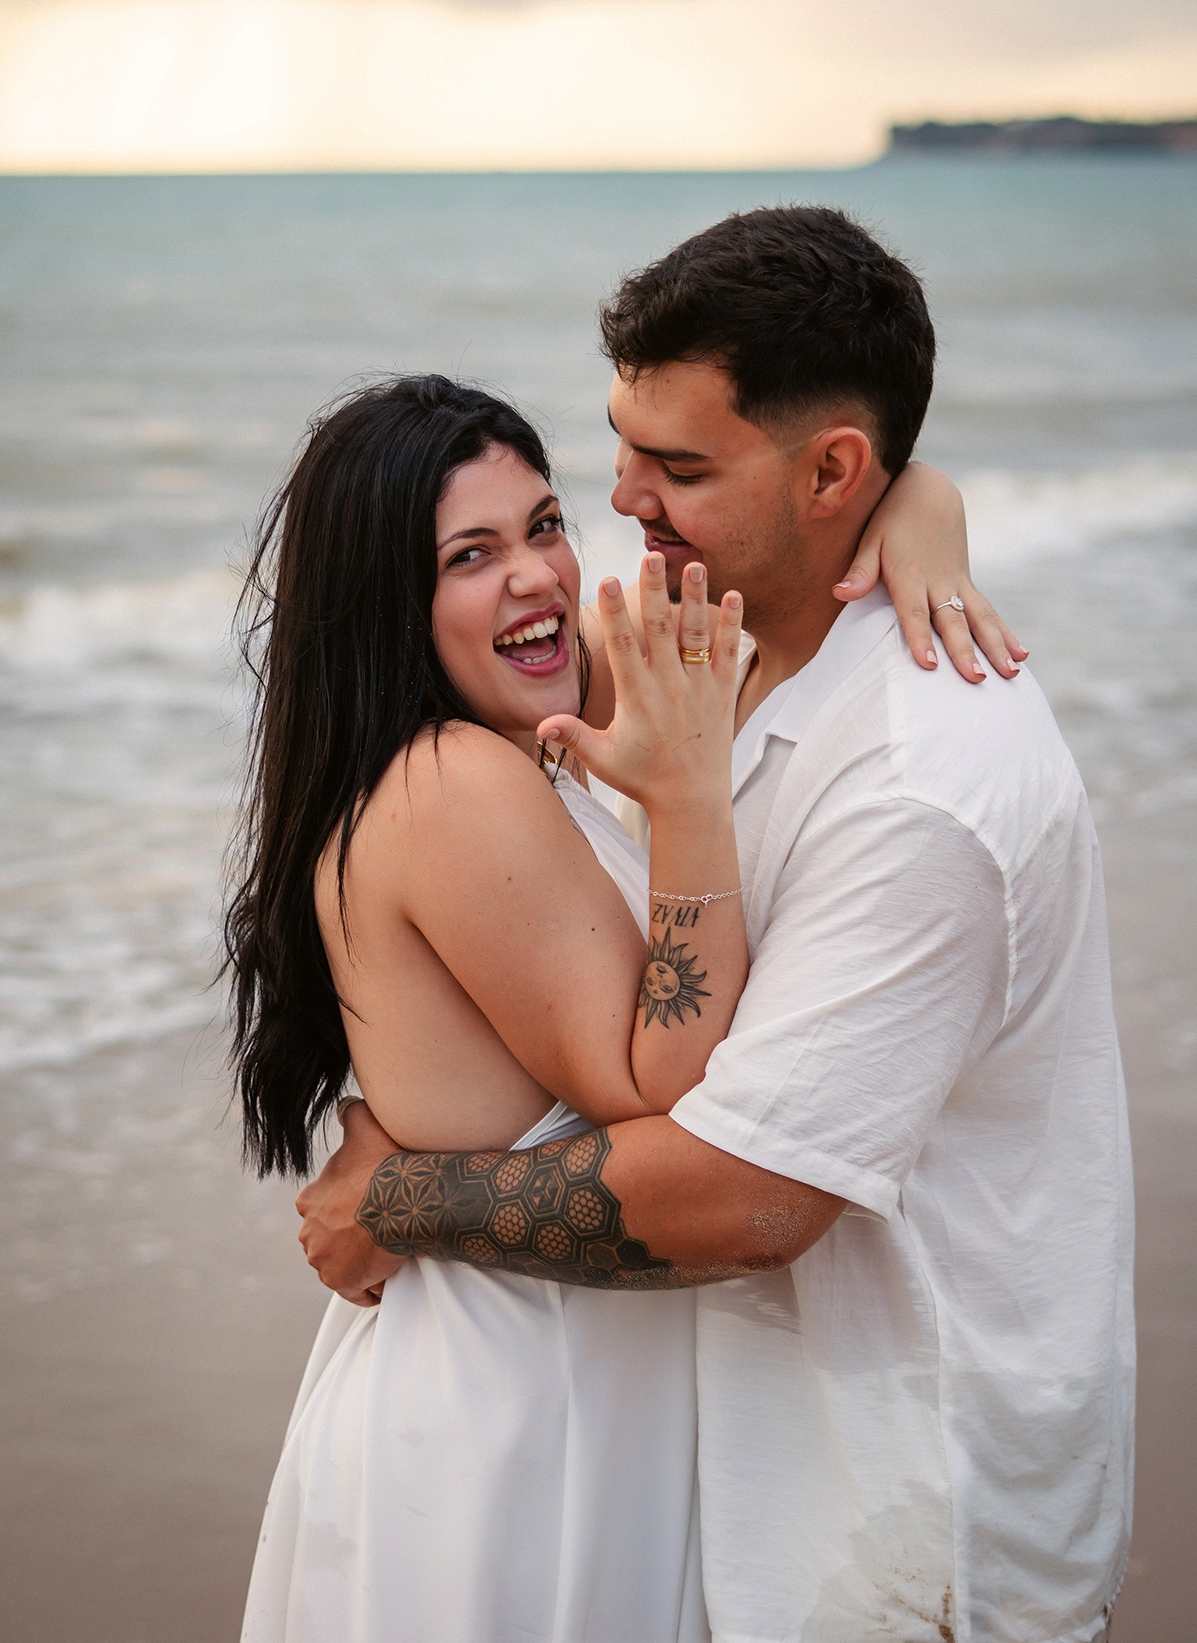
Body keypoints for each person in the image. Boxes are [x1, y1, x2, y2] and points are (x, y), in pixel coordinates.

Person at [299, 207, 1134, 1643]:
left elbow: (742, 1199)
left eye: (675, 467)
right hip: (705, 1480)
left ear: (833, 477)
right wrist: (911, 495)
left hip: (899, 1526)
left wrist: (399, 1195)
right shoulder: (701, 644)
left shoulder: (923, 782)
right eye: (619, 453)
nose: (621, 506)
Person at [229, 360, 1004, 1638]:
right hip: (522, 1420)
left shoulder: (515, 710)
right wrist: (692, 799)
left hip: (570, 1387)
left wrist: (919, 499)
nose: (535, 577)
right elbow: (672, 1089)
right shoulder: (448, 783)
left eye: (542, 525)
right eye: (468, 555)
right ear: (387, 602)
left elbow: (758, 579)